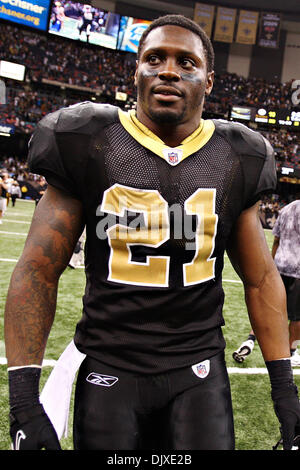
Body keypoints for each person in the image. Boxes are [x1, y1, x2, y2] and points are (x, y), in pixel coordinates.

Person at [4, 14, 300, 451]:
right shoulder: (89, 139)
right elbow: (38, 272)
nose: (168, 70)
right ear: (136, 71)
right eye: (154, 58)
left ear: (210, 80)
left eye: (186, 62)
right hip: (109, 365)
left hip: (199, 369)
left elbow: (260, 280)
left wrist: (284, 393)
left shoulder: (239, 155)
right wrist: (25, 403)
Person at [233, 199, 300, 367]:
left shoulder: (287, 208)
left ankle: (250, 340)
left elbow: (276, 239)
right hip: (298, 270)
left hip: (280, 264)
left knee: (269, 309)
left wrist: (272, 265)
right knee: (297, 317)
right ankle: (292, 351)